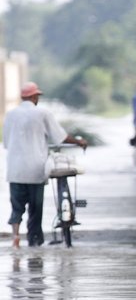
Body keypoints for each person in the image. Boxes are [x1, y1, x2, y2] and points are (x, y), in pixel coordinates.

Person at [3, 82, 88, 248]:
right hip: (35, 169)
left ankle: (15, 236)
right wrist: (79, 141)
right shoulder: (42, 113)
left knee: (17, 207)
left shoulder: (11, 114)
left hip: (15, 170)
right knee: (35, 209)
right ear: (34, 97)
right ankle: (34, 240)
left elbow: (6, 143)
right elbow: (60, 137)